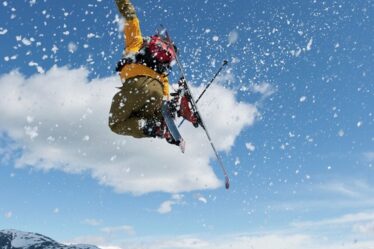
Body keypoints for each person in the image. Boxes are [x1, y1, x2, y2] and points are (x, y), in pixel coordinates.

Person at [109, 0, 178, 144]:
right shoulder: (161, 66)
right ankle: (166, 121)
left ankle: (153, 128)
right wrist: (168, 105)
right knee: (146, 115)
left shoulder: (136, 42)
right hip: (157, 92)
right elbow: (165, 86)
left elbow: (131, 18)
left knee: (115, 123)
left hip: (138, 86)